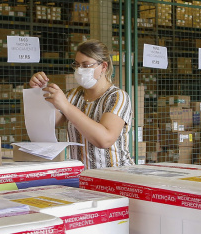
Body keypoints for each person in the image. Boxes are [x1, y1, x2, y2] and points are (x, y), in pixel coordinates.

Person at [29, 39, 134, 169]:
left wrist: (65, 106)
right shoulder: (73, 95)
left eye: (86, 65)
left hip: (114, 174)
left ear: (103, 66)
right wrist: (40, 93)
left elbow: (104, 140)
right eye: (77, 65)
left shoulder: (117, 97)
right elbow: (51, 122)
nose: (79, 70)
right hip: (82, 174)